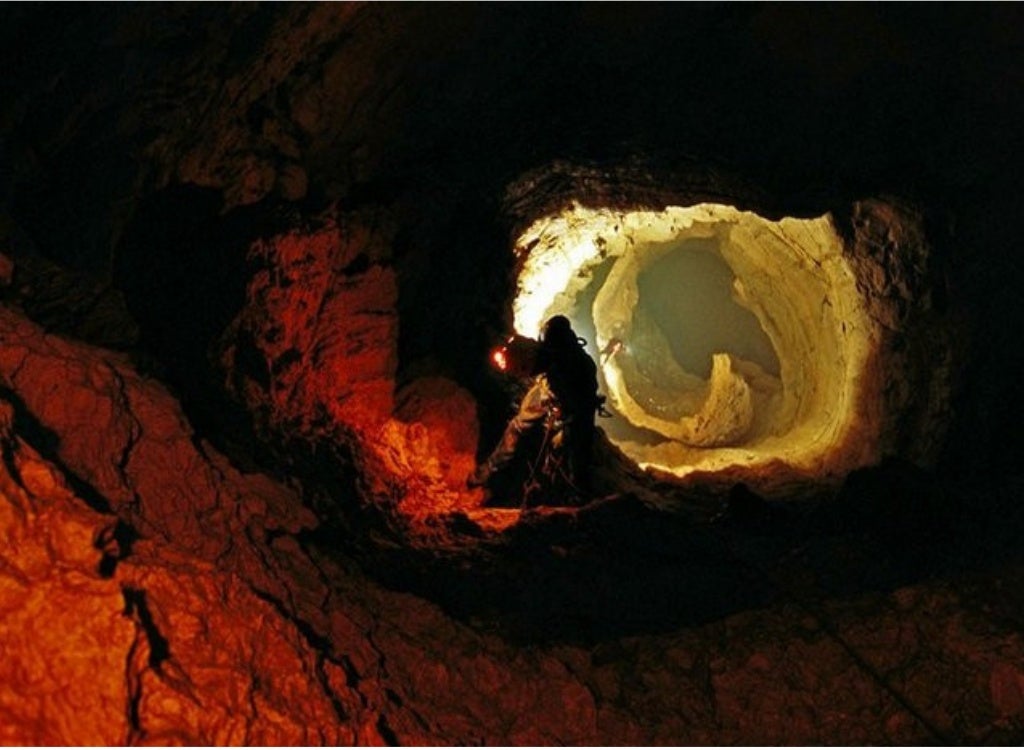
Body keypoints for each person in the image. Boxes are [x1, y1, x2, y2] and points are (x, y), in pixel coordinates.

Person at [469, 315, 600, 502]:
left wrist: (561, 417)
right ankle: (577, 494)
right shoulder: (573, 358)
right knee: (571, 451)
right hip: (565, 401)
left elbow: (574, 402)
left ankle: (486, 473)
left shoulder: (568, 365)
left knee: (525, 432)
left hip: (571, 410)